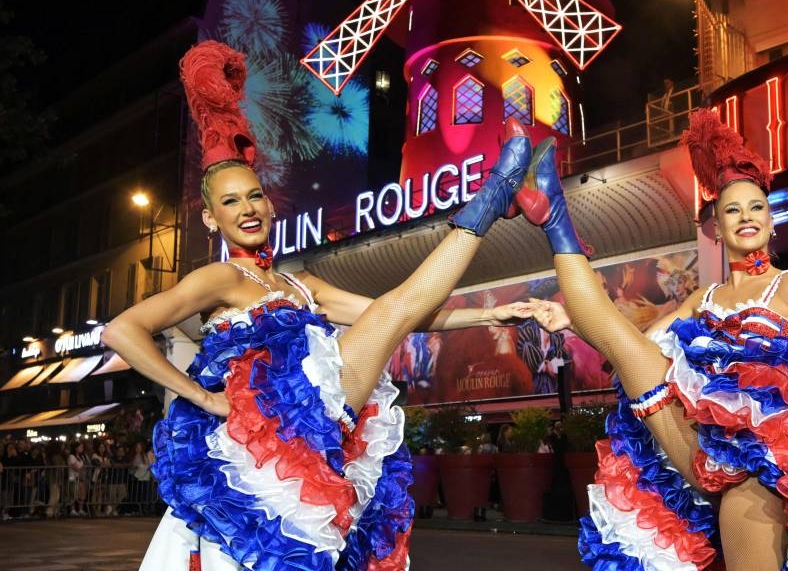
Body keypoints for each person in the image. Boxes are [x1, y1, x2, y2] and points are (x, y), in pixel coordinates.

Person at [102, 41, 544, 571]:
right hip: (261, 447)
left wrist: (490, 313)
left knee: (389, 313)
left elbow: (398, 316)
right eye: (230, 202)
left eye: (255, 196)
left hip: (320, 432)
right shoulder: (220, 277)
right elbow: (122, 330)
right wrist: (201, 396)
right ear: (210, 219)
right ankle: (493, 197)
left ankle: (493, 198)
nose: (248, 209)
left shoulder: (303, 283)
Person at [519, 109, 788, 571]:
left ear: (771, 221)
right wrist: (569, 321)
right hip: (702, 446)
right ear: (716, 230)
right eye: (732, 210)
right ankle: (554, 218)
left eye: (756, 207)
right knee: (628, 350)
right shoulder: (705, 297)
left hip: (766, 464)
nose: (746, 216)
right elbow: (638, 343)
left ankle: (553, 217)